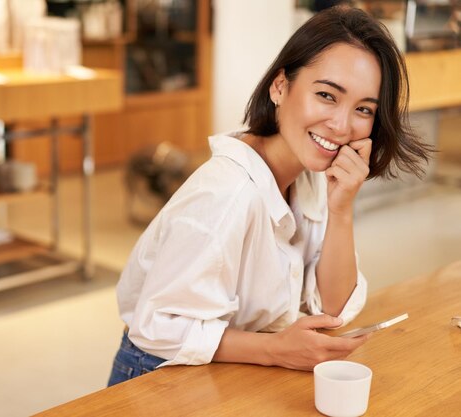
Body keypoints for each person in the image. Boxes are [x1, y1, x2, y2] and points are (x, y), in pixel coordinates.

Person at [107, 5, 431, 386]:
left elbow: (334, 308)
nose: (342, 125)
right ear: (280, 86)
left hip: (232, 369)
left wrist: (341, 209)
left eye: (363, 109)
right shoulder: (226, 193)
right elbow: (157, 327)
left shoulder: (310, 176)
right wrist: (275, 349)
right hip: (158, 373)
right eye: (327, 95)